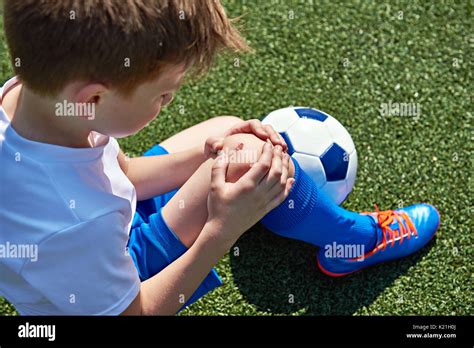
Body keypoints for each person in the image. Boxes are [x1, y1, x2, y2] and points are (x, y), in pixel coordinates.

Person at [0, 0, 440, 315]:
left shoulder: (32, 102)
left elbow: (122, 175)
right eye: (164, 95)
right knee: (249, 156)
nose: (168, 103)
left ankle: (268, 193)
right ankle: (355, 241)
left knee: (224, 133)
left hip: (104, 231)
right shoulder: (76, 227)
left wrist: (202, 154)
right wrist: (222, 228)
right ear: (93, 96)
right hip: (121, 279)